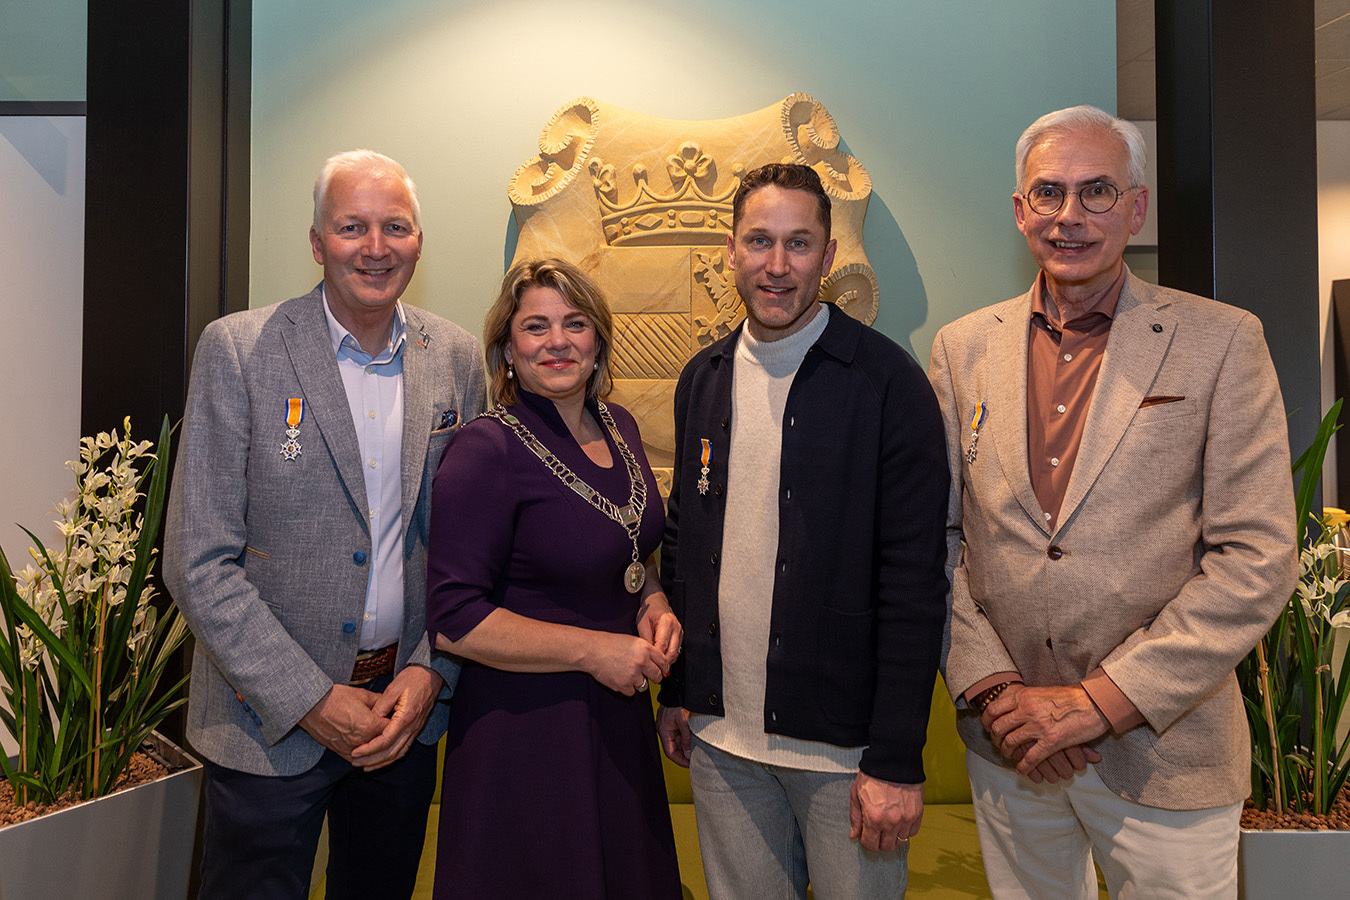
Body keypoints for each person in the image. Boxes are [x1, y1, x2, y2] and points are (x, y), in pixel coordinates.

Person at [928, 105, 1299, 899]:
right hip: (1012, 747)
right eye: (1049, 193)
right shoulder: (963, 350)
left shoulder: (1223, 341)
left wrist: (1099, 704)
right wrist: (996, 693)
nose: (1070, 216)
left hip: (1165, 754)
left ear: (1137, 207)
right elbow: (937, 543)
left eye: (1097, 192)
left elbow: (1256, 559)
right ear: (1020, 209)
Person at [163, 149, 485, 900]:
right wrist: (309, 697)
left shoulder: (457, 358)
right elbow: (197, 560)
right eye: (352, 227)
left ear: (417, 242)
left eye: (395, 227)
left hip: (401, 718)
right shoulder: (238, 350)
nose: (376, 247)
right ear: (316, 243)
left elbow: (464, 549)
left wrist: (428, 670)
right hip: (265, 724)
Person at [655, 162, 950, 899]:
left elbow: (915, 584)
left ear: (828, 254)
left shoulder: (888, 384)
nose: (777, 266)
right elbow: (686, 542)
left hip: (848, 758)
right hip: (723, 745)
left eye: (798, 243)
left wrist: (895, 758)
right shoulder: (705, 376)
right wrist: (680, 692)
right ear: (730, 250)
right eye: (759, 241)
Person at [425, 258, 683, 900]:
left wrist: (652, 596)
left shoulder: (619, 427)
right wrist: (596, 650)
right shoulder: (486, 449)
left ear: (598, 341)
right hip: (524, 733)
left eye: (575, 323)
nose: (557, 341)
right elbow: (454, 620)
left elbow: (623, 546)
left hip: (617, 720)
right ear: (507, 350)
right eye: (535, 327)